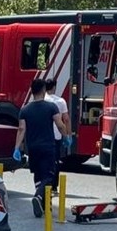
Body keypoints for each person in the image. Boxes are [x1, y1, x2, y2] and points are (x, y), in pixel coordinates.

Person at [14, 77, 66, 218]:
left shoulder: (24, 110)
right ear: (44, 90)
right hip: (48, 147)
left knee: (37, 175)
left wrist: (16, 148)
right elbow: (60, 124)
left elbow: (21, 129)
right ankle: (38, 197)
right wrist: (66, 136)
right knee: (48, 176)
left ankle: (42, 205)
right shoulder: (51, 107)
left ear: (31, 91)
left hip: (33, 148)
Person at [42, 76, 73, 185]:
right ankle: (54, 185)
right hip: (56, 135)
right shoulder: (60, 101)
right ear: (54, 87)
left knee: (43, 160)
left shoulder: (41, 100)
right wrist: (68, 135)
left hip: (42, 135)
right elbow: (66, 119)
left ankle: (43, 183)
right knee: (55, 160)